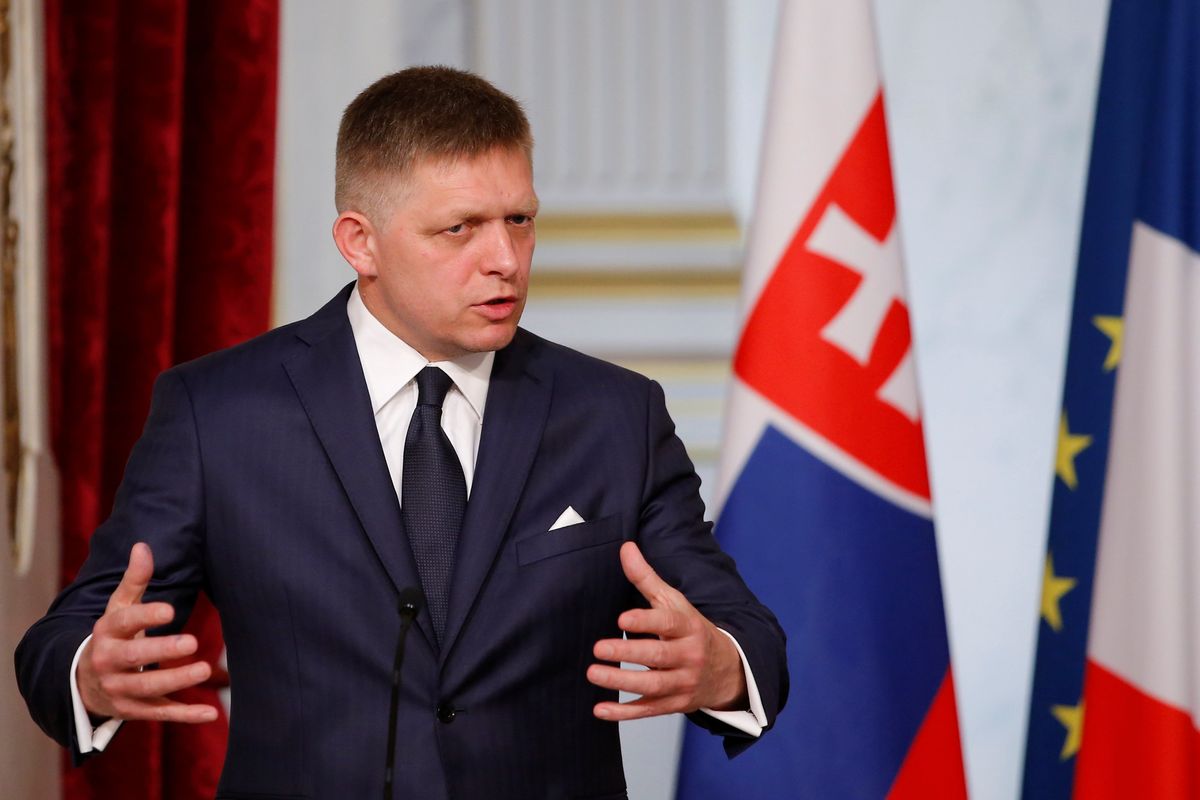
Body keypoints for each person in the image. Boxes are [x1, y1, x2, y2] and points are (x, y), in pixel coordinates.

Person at [16, 66, 787, 799]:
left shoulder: (615, 415)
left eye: (520, 220)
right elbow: (62, 642)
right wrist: (91, 673)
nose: (506, 260)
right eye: (461, 229)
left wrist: (719, 665)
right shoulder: (216, 413)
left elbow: (749, 635)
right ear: (360, 242)